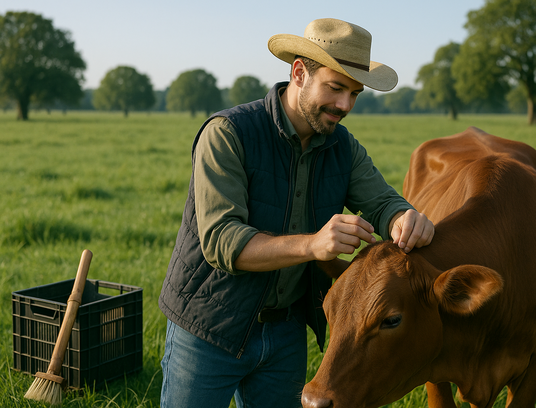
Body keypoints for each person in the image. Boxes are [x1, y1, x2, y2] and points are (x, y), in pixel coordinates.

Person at [158, 17, 435, 408]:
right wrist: (314, 244)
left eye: (355, 94)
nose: (345, 105)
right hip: (208, 325)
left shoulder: (343, 147)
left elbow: (383, 201)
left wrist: (403, 217)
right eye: (336, 88)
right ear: (299, 73)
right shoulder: (227, 133)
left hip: (286, 329)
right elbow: (222, 242)